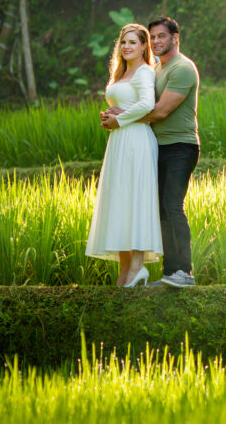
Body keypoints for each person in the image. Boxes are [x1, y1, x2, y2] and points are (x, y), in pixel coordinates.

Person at [103, 16, 200, 288]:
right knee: (159, 209)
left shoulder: (182, 68)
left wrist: (121, 117)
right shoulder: (156, 69)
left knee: (172, 205)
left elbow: (159, 110)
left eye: (161, 37)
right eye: (153, 37)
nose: (157, 41)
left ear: (175, 38)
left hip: (180, 145)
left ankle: (184, 272)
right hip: (158, 145)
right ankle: (171, 272)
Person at [86, 23, 163, 287]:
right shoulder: (120, 73)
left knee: (136, 199)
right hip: (119, 142)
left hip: (137, 141)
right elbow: (125, 105)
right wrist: (109, 116)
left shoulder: (144, 71)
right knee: (120, 200)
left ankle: (138, 268)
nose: (127, 47)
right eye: (123, 42)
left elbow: (147, 104)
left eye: (133, 42)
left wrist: (120, 120)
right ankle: (125, 271)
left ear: (144, 46)